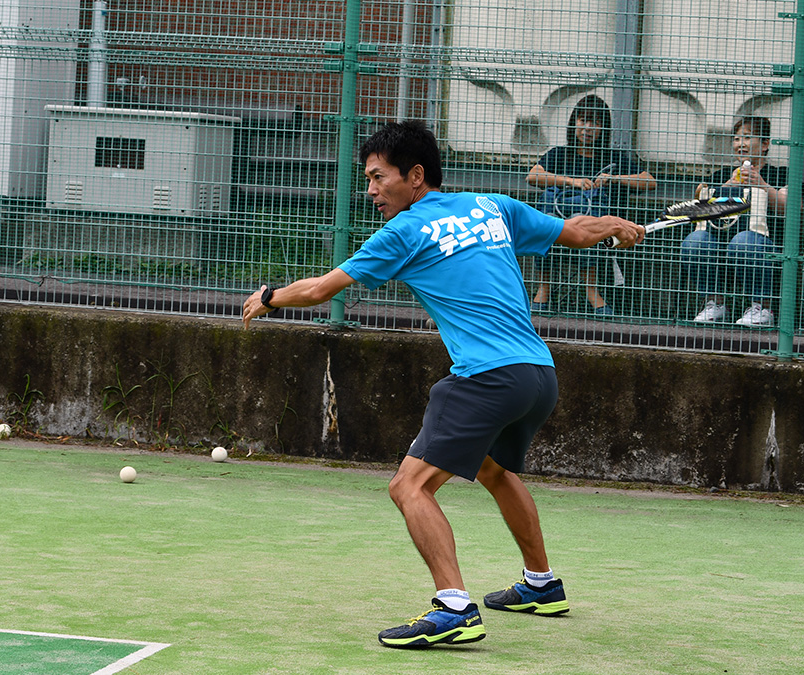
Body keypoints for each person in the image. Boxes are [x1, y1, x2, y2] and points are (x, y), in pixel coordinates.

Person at [242, 120, 644, 648]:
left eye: (377, 177)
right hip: (538, 376)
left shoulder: (404, 232)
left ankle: (453, 607)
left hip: (486, 378)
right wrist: (615, 223)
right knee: (492, 469)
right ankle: (541, 585)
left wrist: (270, 297)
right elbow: (577, 231)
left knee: (408, 487)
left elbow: (319, 290)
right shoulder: (493, 206)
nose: (370, 190)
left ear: (414, 176)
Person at [525, 94, 656, 315]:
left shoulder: (613, 157)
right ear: (573, 123)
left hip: (595, 227)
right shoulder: (559, 154)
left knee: (592, 213)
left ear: (604, 127)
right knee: (546, 206)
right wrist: (571, 181)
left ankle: (591, 291)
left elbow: (649, 181)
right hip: (558, 221)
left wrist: (614, 179)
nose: (587, 127)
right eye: (582, 120)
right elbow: (532, 176)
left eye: (595, 122)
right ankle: (544, 289)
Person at [682, 116, 788, 326]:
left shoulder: (780, 174)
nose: (741, 144)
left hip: (763, 244)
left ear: (765, 144)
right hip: (720, 242)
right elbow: (701, 208)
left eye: (747, 138)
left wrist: (762, 185)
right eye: (737, 139)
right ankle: (715, 304)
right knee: (695, 240)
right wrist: (727, 186)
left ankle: (763, 307)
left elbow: (788, 207)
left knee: (743, 241)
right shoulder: (722, 175)